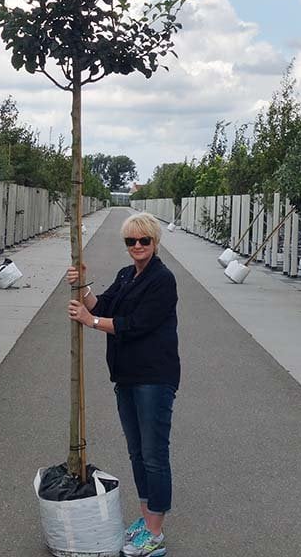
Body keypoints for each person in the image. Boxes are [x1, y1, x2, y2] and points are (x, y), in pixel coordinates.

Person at [67, 212, 180, 557]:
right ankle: (146, 520)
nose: (137, 246)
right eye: (131, 241)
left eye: (144, 240)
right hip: (127, 377)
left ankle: (156, 533)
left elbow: (135, 324)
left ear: (155, 242)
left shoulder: (163, 280)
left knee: (154, 455)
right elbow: (102, 304)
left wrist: (92, 321)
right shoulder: (126, 275)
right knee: (136, 452)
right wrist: (82, 284)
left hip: (154, 379)